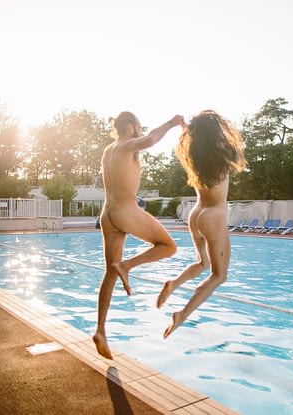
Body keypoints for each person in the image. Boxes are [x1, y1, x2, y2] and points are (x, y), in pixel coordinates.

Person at [93, 111, 184, 359]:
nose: (141, 130)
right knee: (168, 246)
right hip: (125, 211)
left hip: (108, 214)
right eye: (139, 126)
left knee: (109, 274)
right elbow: (150, 140)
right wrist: (172, 122)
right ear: (131, 126)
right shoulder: (128, 145)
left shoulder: (108, 150)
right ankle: (127, 266)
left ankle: (100, 330)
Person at [156, 110, 246, 338]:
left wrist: (183, 126)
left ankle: (174, 283)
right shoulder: (222, 154)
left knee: (202, 263)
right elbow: (237, 152)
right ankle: (182, 314)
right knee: (218, 276)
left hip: (195, 214)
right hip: (213, 216)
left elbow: (190, 136)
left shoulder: (194, 155)